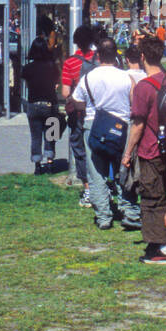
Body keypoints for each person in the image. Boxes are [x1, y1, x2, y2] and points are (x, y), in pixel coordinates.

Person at [72, 37, 140, 231]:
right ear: (116, 54)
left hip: (93, 126)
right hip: (122, 128)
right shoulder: (127, 78)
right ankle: (129, 210)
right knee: (123, 171)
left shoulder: (88, 78)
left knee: (96, 173)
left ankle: (103, 216)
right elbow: (134, 104)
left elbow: (78, 101)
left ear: (98, 56)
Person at [122, 35, 166, 264]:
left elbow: (138, 124)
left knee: (152, 197)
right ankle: (158, 242)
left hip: (149, 148)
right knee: (161, 191)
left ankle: (163, 248)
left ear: (142, 57)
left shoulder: (144, 87)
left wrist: (127, 153)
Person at [61, 24, 97, 204]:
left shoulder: (70, 62)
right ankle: (104, 184)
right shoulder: (100, 59)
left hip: (80, 113)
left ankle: (88, 188)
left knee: (80, 149)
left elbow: (66, 92)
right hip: (101, 112)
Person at [21, 33, 62, 175]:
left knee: (35, 135)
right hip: (50, 104)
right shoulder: (52, 67)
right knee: (51, 134)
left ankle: (37, 164)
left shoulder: (27, 68)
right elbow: (56, 84)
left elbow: (27, 85)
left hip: (33, 104)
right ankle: (50, 162)